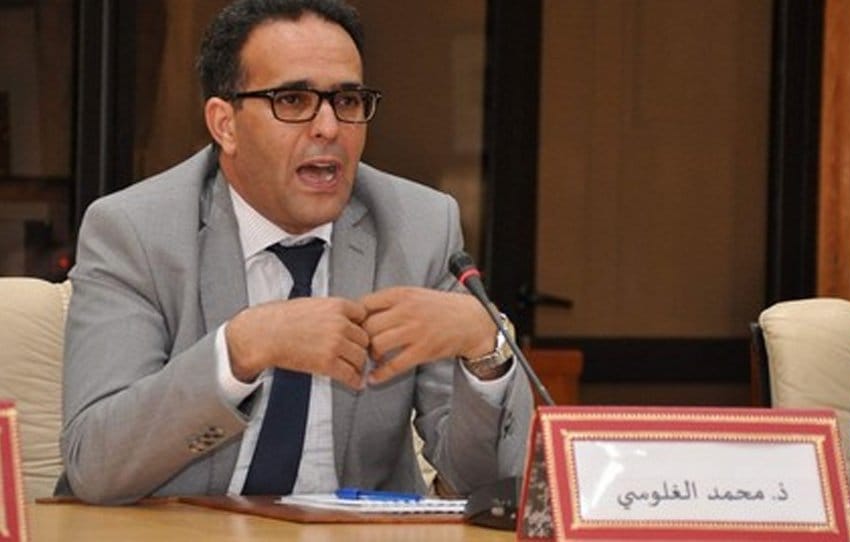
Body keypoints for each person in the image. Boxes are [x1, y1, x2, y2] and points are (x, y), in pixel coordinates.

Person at [57, 0, 534, 505]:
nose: (328, 127)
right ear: (225, 124)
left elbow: (482, 485)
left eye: (347, 101)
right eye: (292, 99)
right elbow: (96, 467)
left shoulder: (419, 227)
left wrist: (486, 350)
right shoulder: (135, 231)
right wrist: (241, 349)